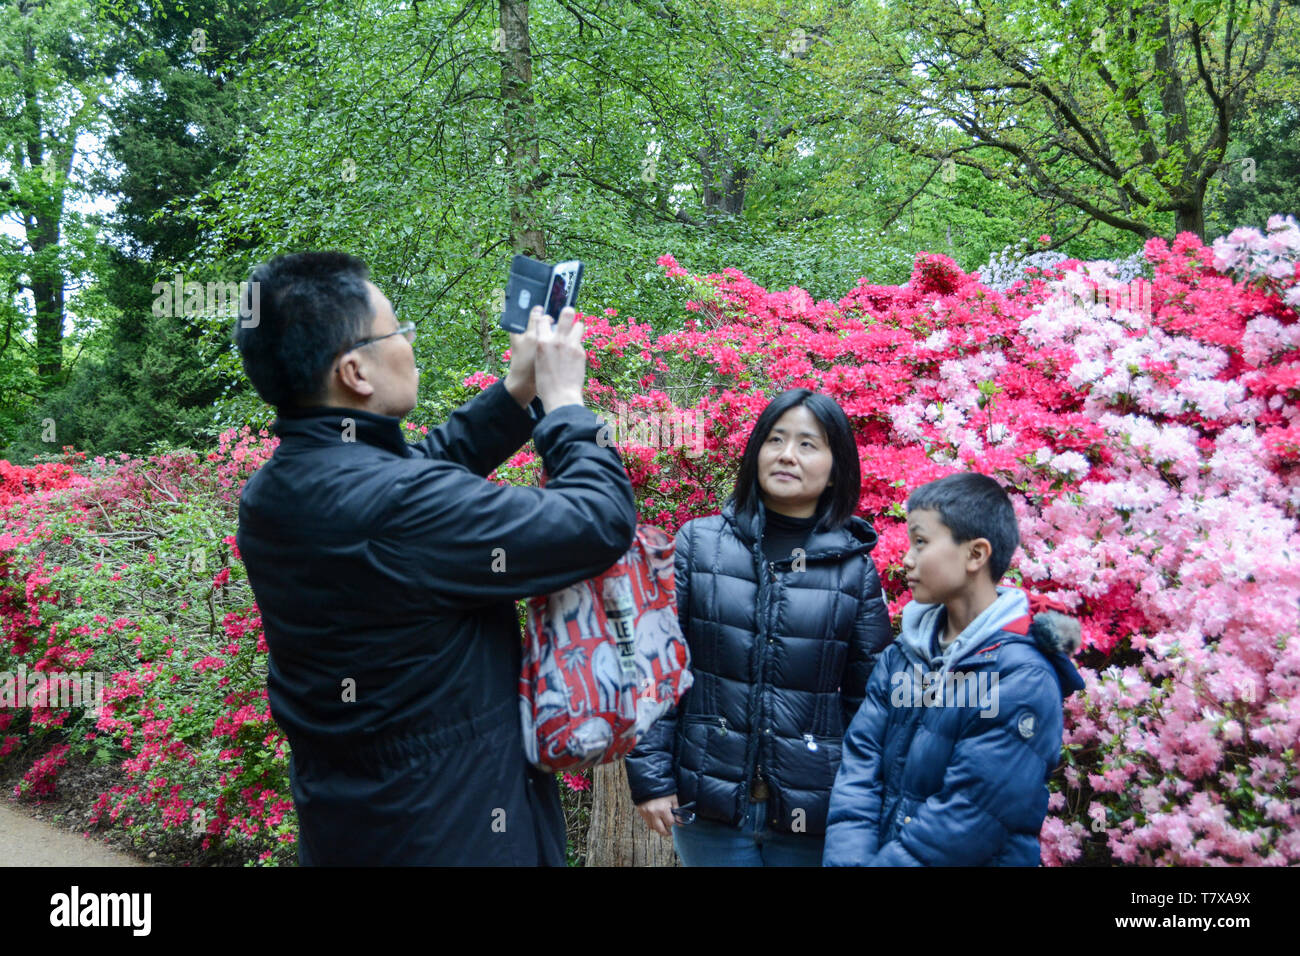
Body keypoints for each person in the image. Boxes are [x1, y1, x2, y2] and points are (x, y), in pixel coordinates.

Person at [231, 251, 636, 865]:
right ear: (355, 372)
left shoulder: (277, 489)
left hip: (360, 822)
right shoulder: (396, 503)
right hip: (455, 828)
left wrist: (516, 391)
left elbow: (418, 470)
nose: (408, 344)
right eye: (398, 331)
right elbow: (597, 521)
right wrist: (566, 405)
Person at [624, 388, 893, 866]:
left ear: (836, 468)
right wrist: (652, 779)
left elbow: (869, 702)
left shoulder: (854, 568)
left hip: (815, 813)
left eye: (808, 444)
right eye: (775, 439)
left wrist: (863, 803)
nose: (787, 455)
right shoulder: (698, 545)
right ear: (756, 453)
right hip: (711, 809)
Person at [822, 472, 1085, 866]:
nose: (907, 558)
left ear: (975, 555)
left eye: (922, 542)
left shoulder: (1021, 676)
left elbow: (968, 819)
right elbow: (860, 767)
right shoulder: (904, 655)